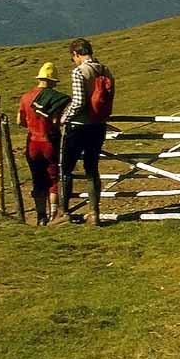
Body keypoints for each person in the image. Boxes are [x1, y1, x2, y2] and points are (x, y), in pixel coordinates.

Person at [57, 37, 115, 225]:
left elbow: (79, 101)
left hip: (79, 126)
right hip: (98, 126)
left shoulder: (79, 72)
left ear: (76, 54)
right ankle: (94, 212)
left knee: (66, 169)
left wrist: (65, 117)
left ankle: (63, 212)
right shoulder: (105, 70)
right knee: (92, 168)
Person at [16, 62, 69, 225]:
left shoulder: (26, 97)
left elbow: (20, 121)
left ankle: (40, 216)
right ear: (53, 81)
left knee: (37, 179)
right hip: (50, 141)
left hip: (32, 142)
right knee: (53, 179)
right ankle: (54, 213)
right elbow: (60, 121)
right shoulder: (57, 99)